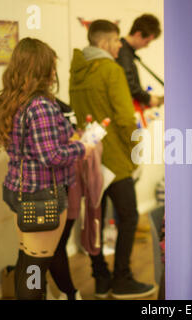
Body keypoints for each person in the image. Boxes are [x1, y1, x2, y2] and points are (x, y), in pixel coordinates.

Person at [0, 38, 91, 300]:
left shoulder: (15, 100)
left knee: (28, 258)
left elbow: (50, 141)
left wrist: (72, 135)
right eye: (52, 67)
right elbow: (52, 156)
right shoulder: (41, 105)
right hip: (41, 195)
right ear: (41, 69)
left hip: (19, 191)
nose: (54, 73)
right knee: (36, 264)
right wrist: (83, 149)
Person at [69, 19, 155, 299]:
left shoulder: (77, 71)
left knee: (94, 217)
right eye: (117, 40)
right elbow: (124, 118)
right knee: (129, 216)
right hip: (115, 158)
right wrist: (135, 151)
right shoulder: (111, 70)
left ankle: (101, 277)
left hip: (88, 156)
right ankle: (122, 279)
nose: (119, 45)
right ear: (106, 43)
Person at [116, 14, 163, 108]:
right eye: (147, 41)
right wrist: (148, 98)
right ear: (138, 34)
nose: (147, 46)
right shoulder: (123, 52)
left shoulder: (126, 52)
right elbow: (128, 84)